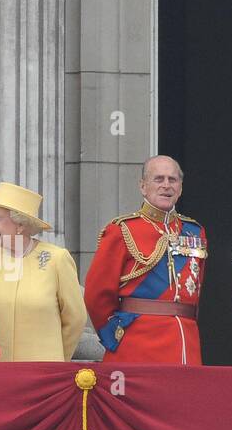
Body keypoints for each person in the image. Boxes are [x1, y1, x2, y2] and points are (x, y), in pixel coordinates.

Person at [84, 156, 208, 364]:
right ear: (143, 186)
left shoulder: (195, 231)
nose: (166, 185)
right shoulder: (121, 230)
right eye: (158, 179)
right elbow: (96, 294)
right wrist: (116, 335)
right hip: (137, 345)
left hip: (186, 341)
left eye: (172, 180)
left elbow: (196, 289)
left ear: (180, 187)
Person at [0, 182, 85, 361]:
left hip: (42, 373)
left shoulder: (57, 259)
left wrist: (56, 359)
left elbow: (75, 319)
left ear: (20, 225)